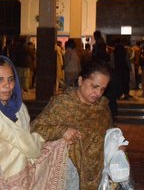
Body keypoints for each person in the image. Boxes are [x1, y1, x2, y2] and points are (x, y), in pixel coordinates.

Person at [0, 56, 68, 190]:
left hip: (22, 180)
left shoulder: (20, 109)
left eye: (11, 79)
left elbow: (28, 148)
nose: (7, 85)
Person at [31, 61, 114, 190]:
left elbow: (109, 132)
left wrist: (117, 143)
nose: (98, 93)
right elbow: (36, 128)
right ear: (81, 81)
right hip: (68, 171)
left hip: (96, 172)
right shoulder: (63, 104)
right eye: (94, 86)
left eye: (102, 89)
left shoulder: (103, 108)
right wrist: (62, 131)